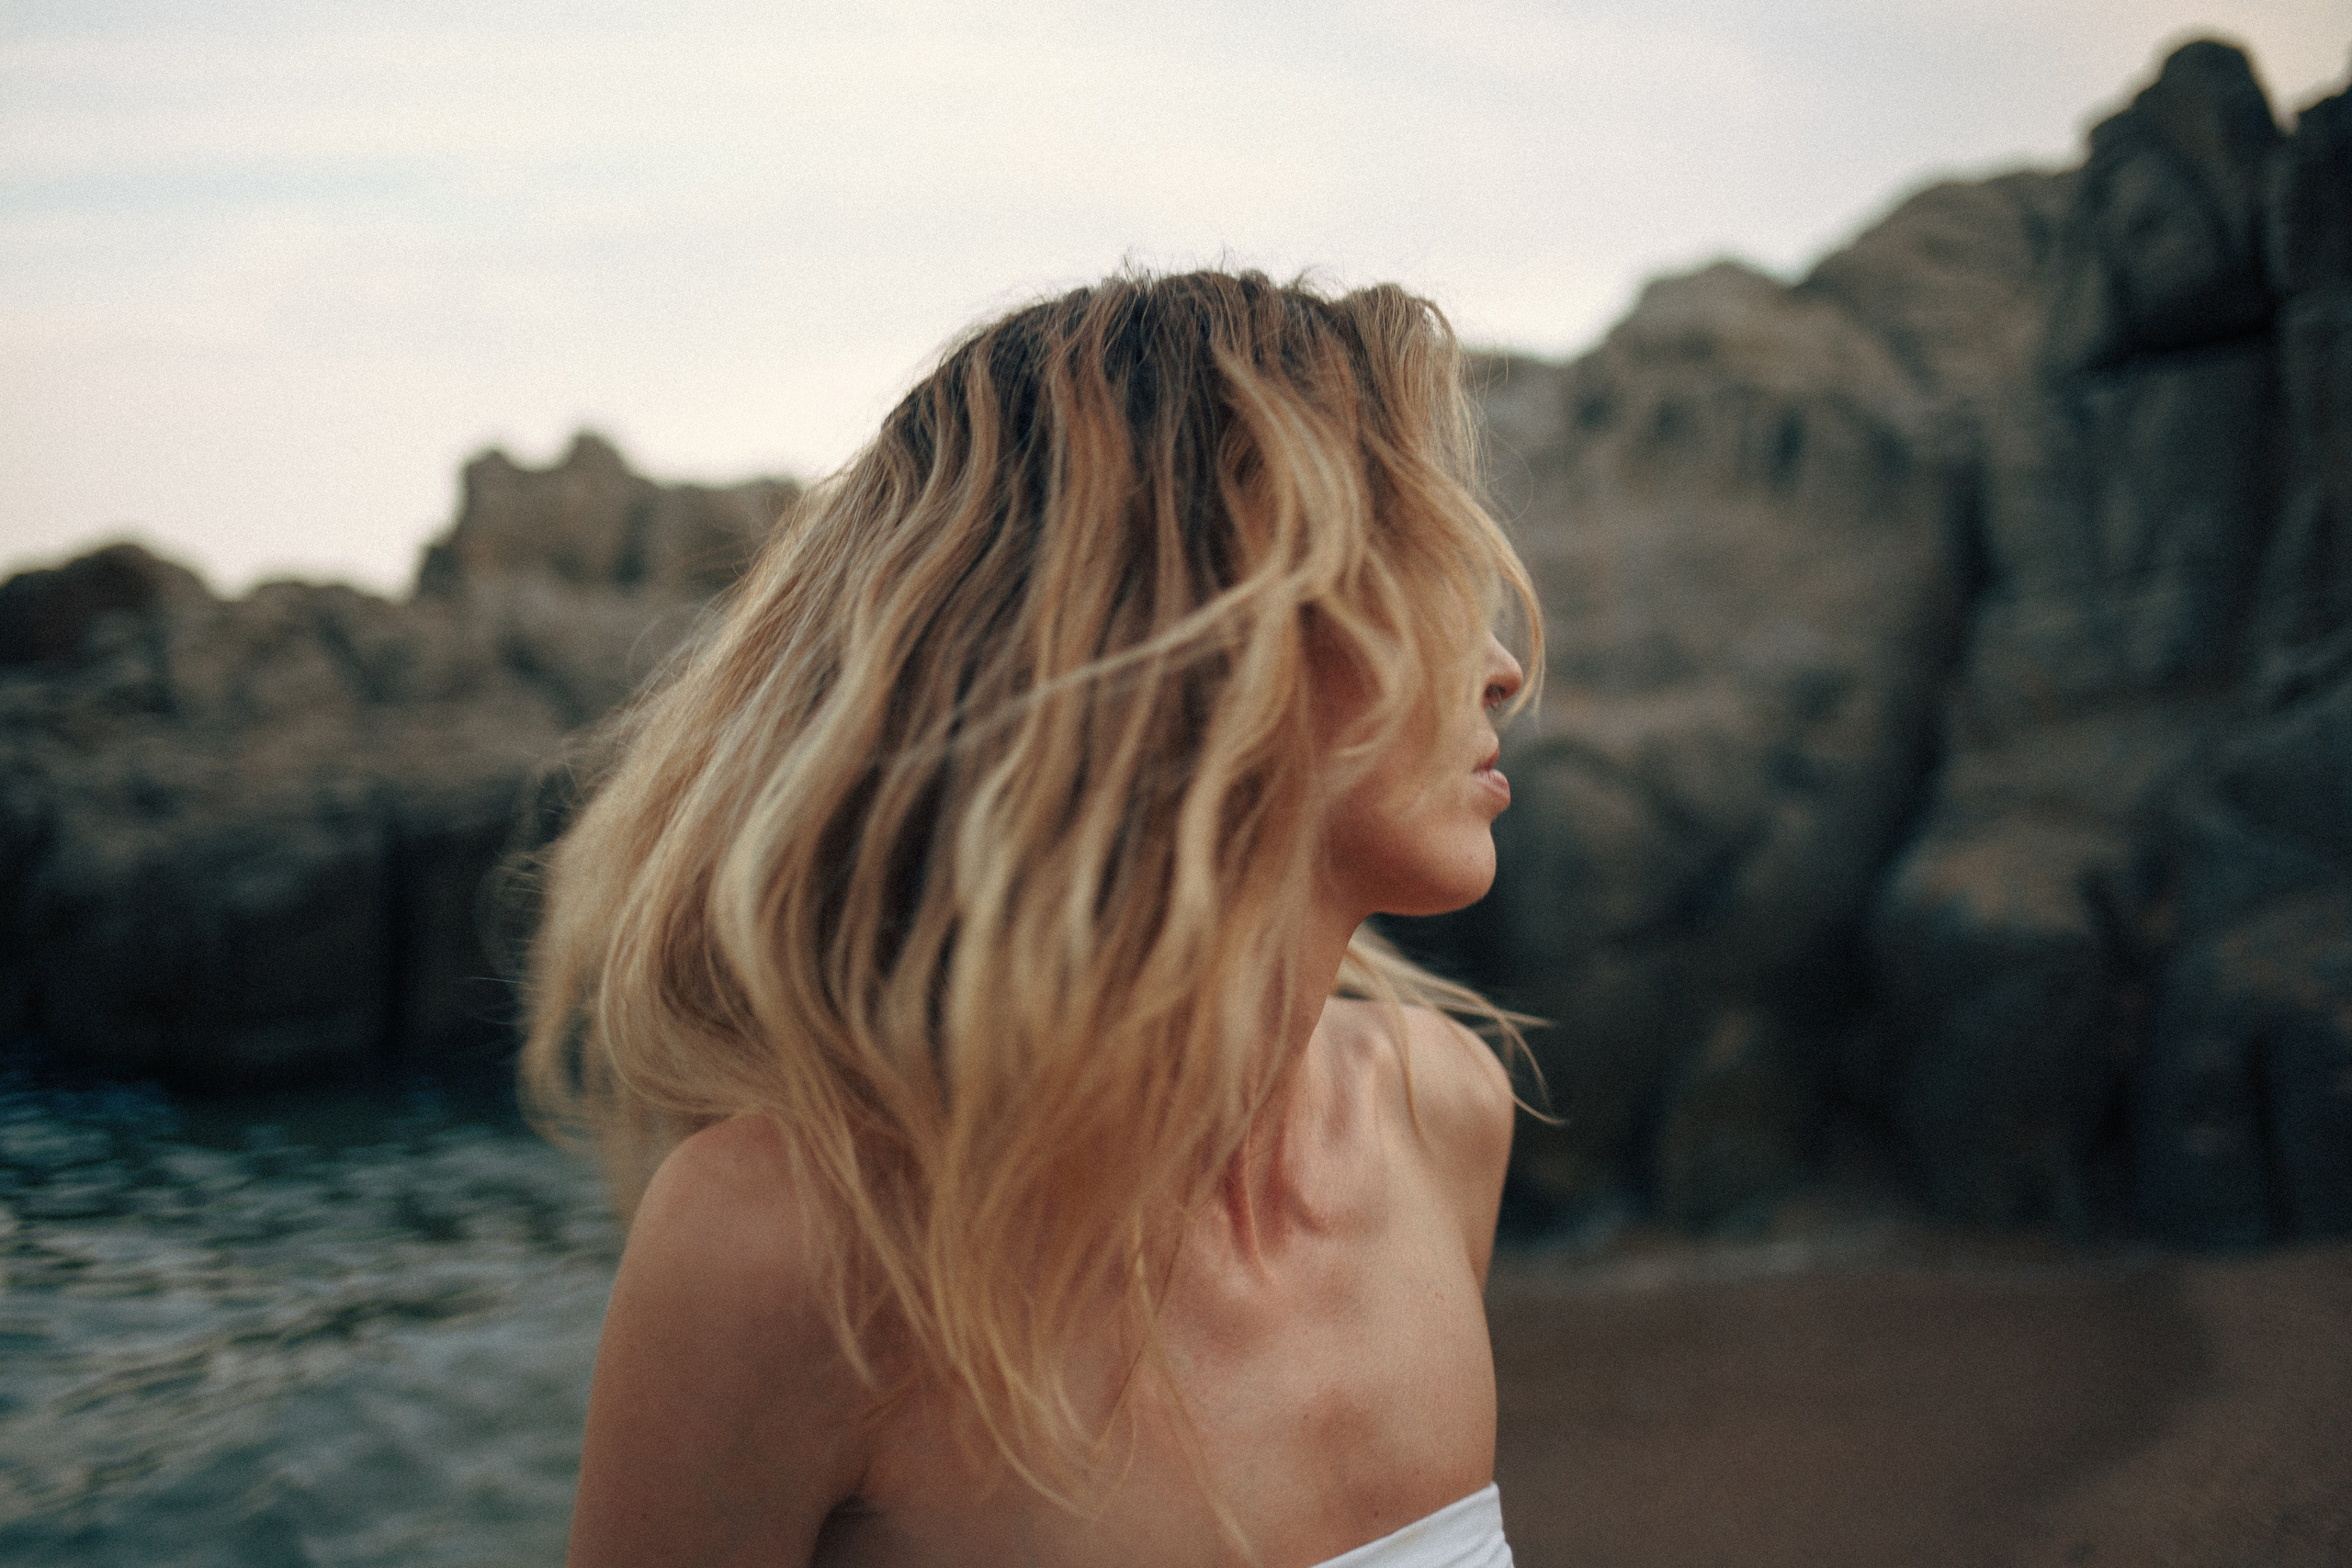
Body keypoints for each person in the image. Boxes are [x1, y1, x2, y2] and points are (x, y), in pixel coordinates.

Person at [523, 268, 1541, 1568]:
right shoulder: (796, 1253)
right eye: (1413, 572)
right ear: (1202, 637)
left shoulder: (1439, 1119)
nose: (1501, 665)